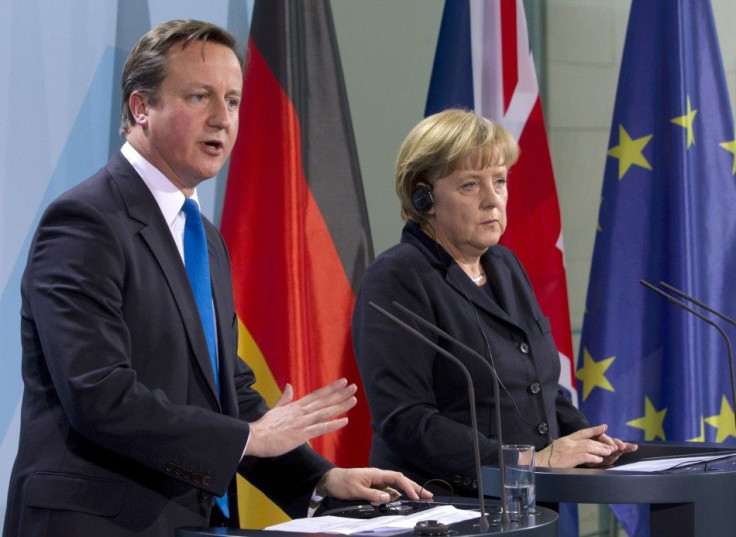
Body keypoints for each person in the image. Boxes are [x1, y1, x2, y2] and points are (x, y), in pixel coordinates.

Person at [3, 19, 430, 537]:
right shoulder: (86, 222)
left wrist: (321, 479)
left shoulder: (202, 236)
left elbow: (228, 393)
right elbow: (99, 395)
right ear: (141, 108)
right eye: (199, 97)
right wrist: (248, 438)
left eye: (231, 101)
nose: (221, 119)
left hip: (188, 522)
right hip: (94, 522)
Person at [351, 109, 636, 496]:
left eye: (499, 181)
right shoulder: (398, 277)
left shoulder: (504, 265)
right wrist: (525, 461)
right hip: (442, 507)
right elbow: (406, 419)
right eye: (470, 185)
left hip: (524, 501)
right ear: (424, 198)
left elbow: (539, 386)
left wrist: (587, 440)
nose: (492, 200)